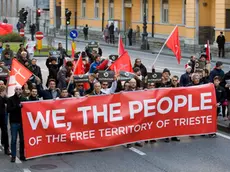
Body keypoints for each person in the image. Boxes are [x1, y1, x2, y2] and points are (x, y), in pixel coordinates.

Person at [7, 87, 26, 162]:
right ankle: (13, 156)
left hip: (22, 122)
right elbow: (8, 109)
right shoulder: (10, 99)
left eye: (20, 89)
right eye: (17, 89)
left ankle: (22, 155)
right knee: (14, 140)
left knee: (22, 140)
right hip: (14, 122)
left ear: (21, 90)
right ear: (14, 90)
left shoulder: (24, 99)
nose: (18, 91)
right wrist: (17, 106)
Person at [0, 85, 10, 155]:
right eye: (5, 91)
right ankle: (6, 149)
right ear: (2, 91)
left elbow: (8, 100)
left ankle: (6, 148)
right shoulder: (2, 98)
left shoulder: (3, 98)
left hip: (3, 118)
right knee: (5, 133)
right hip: (2, 118)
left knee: (5, 133)